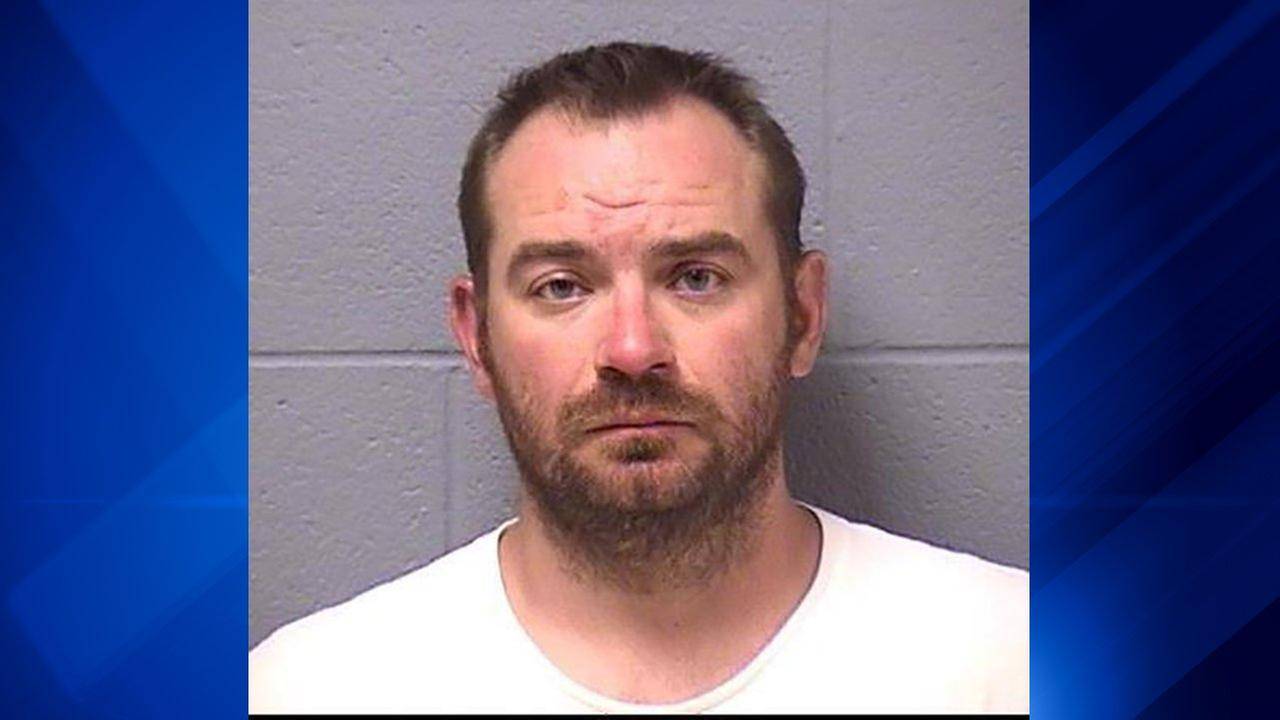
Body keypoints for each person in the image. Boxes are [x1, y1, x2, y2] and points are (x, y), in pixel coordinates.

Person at [249, 41, 1028, 714]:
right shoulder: (311, 691)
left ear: (803, 314)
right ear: (475, 336)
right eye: (561, 286)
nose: (631, 348)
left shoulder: (1012, 664)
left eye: (696, 277)